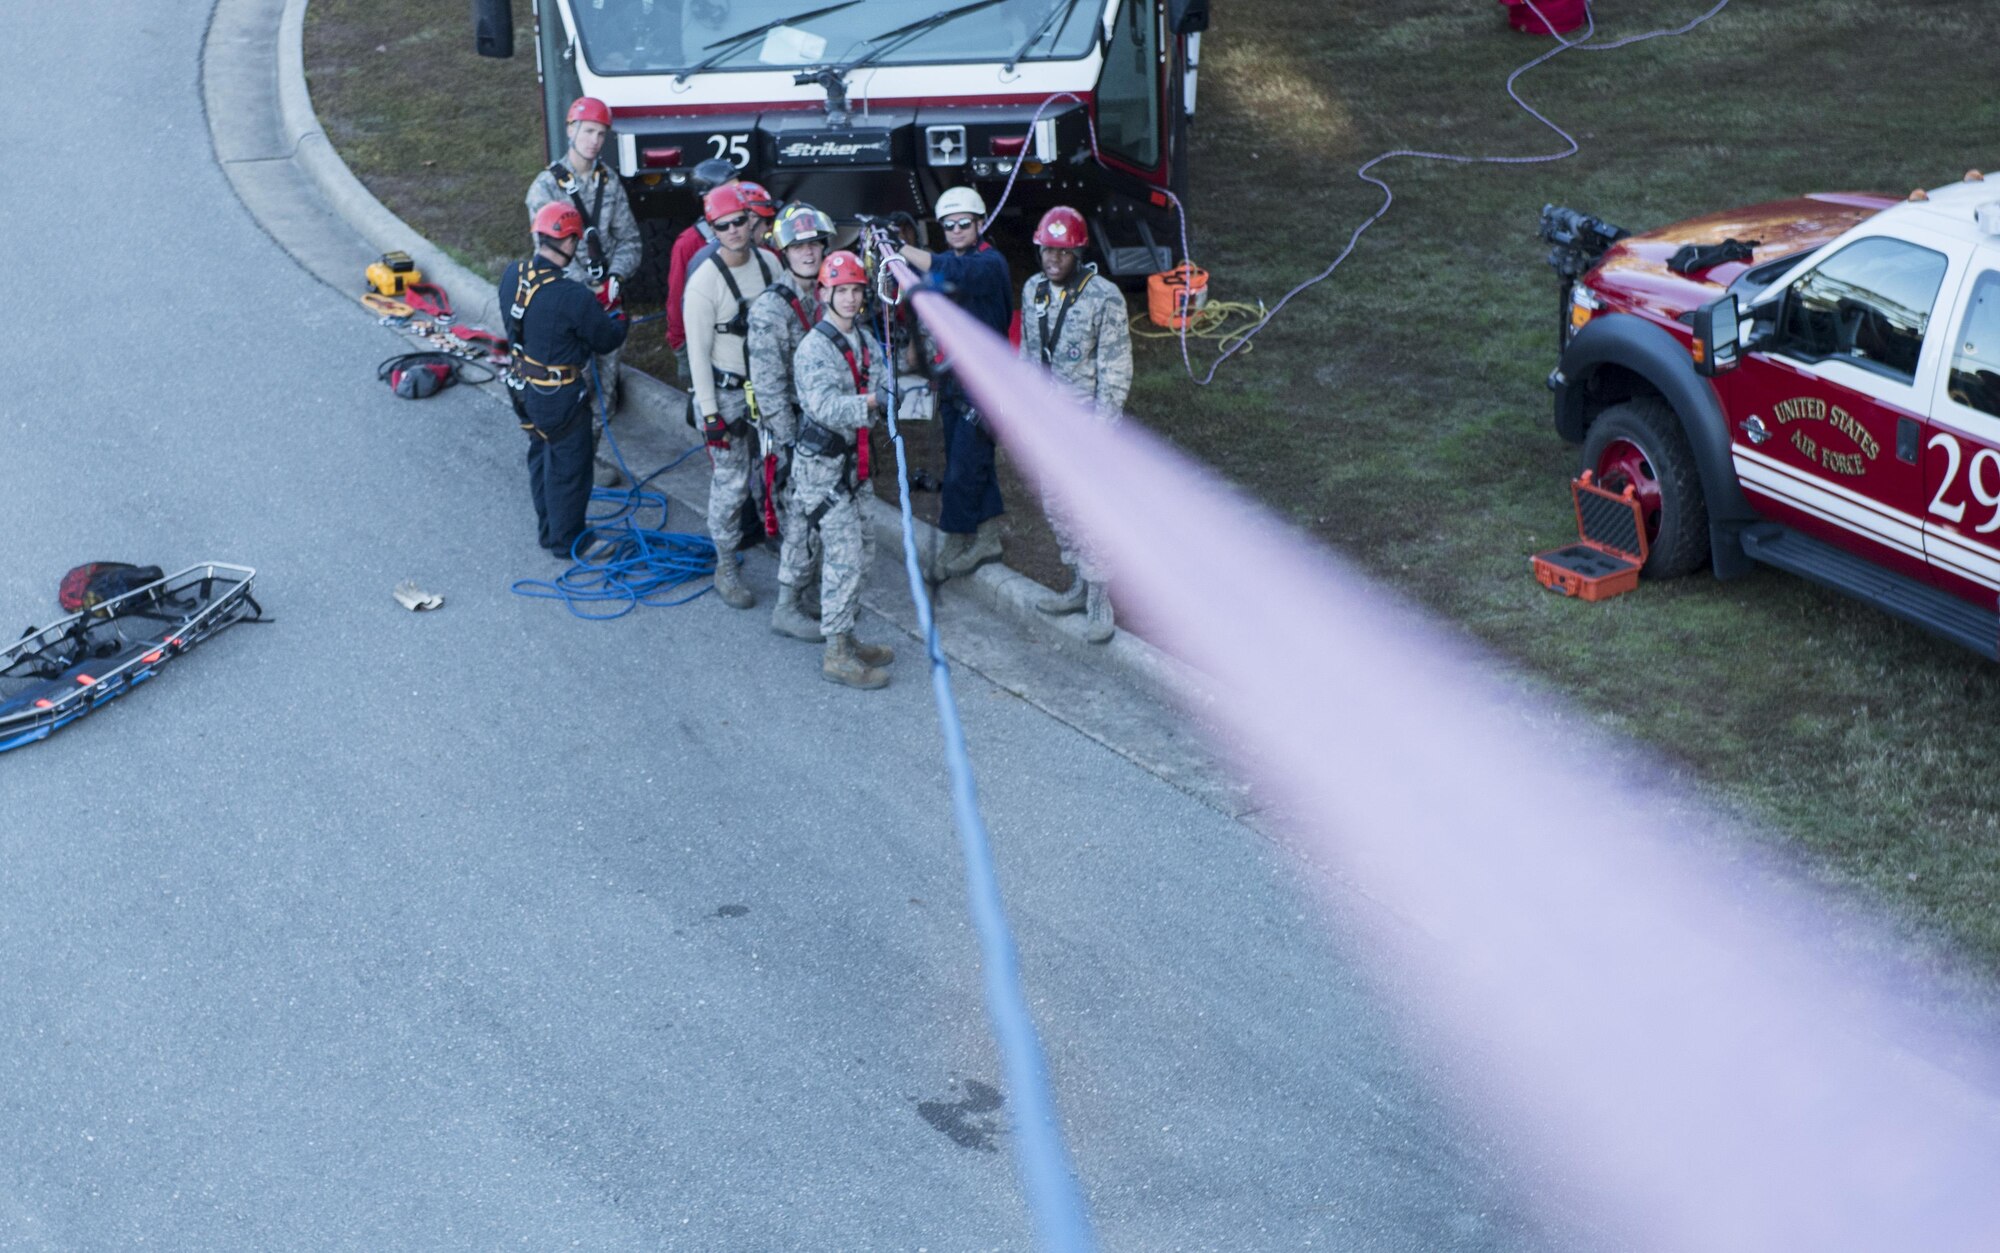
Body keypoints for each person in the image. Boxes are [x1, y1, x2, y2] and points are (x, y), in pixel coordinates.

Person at [1018, 205, 1132, 643]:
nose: (1053, 260)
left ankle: (1100, 597)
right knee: (1058, 506)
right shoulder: (1033, 291)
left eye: (1062, 253)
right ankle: (1078, 584)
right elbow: (1029, 354)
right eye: (1047, 250)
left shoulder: (1104, 297)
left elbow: (1116, 369)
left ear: (1078, 253)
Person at [786, 251, 898, 688]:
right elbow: (824, 407)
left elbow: (882, 379)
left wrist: (898, 391)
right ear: (825, 293)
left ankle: (846, 635)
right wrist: (873, 402)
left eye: (856, 291)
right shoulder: (814, 349)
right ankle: (835, 652)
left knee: (863, 554)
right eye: (842, 291)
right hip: (823, 471)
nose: (851, 299)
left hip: (855, 467)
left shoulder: (866, 341)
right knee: (844, 557)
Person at [500, 203, 629, 557]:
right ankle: (569, 540)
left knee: (541, 452)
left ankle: (549, 529)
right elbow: (606, 339)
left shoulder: (514, 274)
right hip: (558, 396)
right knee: (570, 466)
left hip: (522, 388)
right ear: (570, 242)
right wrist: (619, 315)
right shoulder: (571, 296)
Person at [897, 186, 1012, 581]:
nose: (957, 230)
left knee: (963, 466)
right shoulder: (953, 258)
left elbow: (950, 271)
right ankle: (987, 535)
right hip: (955, 378)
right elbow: (941, 268)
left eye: (964, 223)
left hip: (985, 381)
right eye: (949, 225)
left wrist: (900, 249)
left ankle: (955, 537)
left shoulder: (989, 264)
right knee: (969, 458)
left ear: (980, 223)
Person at [525, 96, 641, 485]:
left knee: (604, 388)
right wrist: (584, 292)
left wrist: (615, 280)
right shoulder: (545, 188)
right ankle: (561, 463)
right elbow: (549, 253)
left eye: (601, 134)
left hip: (605, 301)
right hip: (567, 304)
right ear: (571, 130)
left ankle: (586, 461)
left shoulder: (609, 183)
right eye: (588, 131)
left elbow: (630, 241)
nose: (594, 141)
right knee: (570, 390)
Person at [685, 183, 781, 609]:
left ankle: (776, 536)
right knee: (731, 482)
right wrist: (709, 415)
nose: (735, 232)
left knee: (777, 473)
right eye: (723, 226)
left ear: (752, 220)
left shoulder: (771, 264)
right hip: (726, 394)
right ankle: (725, 564)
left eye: (740, 222)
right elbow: (697, 355)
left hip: (769, 387)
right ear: (713, 230)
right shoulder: (704, 282)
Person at [749, 203, 836, 640]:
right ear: (784, 250)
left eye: (814, 243)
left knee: (822, 516)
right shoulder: (771, 309)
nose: (807, 252)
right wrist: (789, 444)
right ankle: (788, 605)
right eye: (798, 245)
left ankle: (810, 594)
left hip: (827, 428)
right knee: (801, 518)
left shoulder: (830, 296)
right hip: (796, 432)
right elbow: (767, 387)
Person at [665, 157, 740, 386]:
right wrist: (680, 345)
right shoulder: (689, 243)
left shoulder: (747, 233)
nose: (740, 195)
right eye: (731, 190)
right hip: (701, 342)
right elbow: (677, 299)